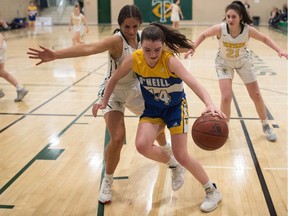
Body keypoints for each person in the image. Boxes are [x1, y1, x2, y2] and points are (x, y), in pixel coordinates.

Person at [27, 5, 178, 204]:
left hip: (136, 89)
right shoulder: (116, 41)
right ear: (120, 25)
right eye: (127, 27)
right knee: (117, 137)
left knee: (155, 123)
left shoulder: (144, 37)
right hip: (112, 90)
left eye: (134, 27)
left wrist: (192, 45)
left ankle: (165, 148)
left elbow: (168, 47)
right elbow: (88, 48)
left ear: (139, 25)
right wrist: (55, 54)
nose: (131, 31)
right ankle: (107, 181)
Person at [92, 22, 227, 213]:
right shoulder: (134, 59)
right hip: (153, 110)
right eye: (147, 50)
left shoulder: (170, 60)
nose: (153, 54)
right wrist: (104, 102)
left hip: (175, 108)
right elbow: (113, 79)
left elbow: (193, 82)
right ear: (141, 47)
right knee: (141, 145)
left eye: (157, 49)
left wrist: (210, 103)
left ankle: (212, 191)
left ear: (163, 45)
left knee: (182, 154)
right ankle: (173, 165)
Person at [185, 1, 288, 142]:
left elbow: (264, 38)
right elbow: (203, 35)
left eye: (233, 16)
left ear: (240, 17)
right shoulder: (221, 29)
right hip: (224, 63)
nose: (230, 19)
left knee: (256, 95)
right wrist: (193, 47)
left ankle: (266, 125)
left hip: (243, 62)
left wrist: (279, 50)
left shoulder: (247, 30)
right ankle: (224, 127)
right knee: (226, 97)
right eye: (228, 16)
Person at [0, 20, 28, 101]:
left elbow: (0, 36)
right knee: (1, 71)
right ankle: (20, 88)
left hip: (0, 46)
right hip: (2, 46)